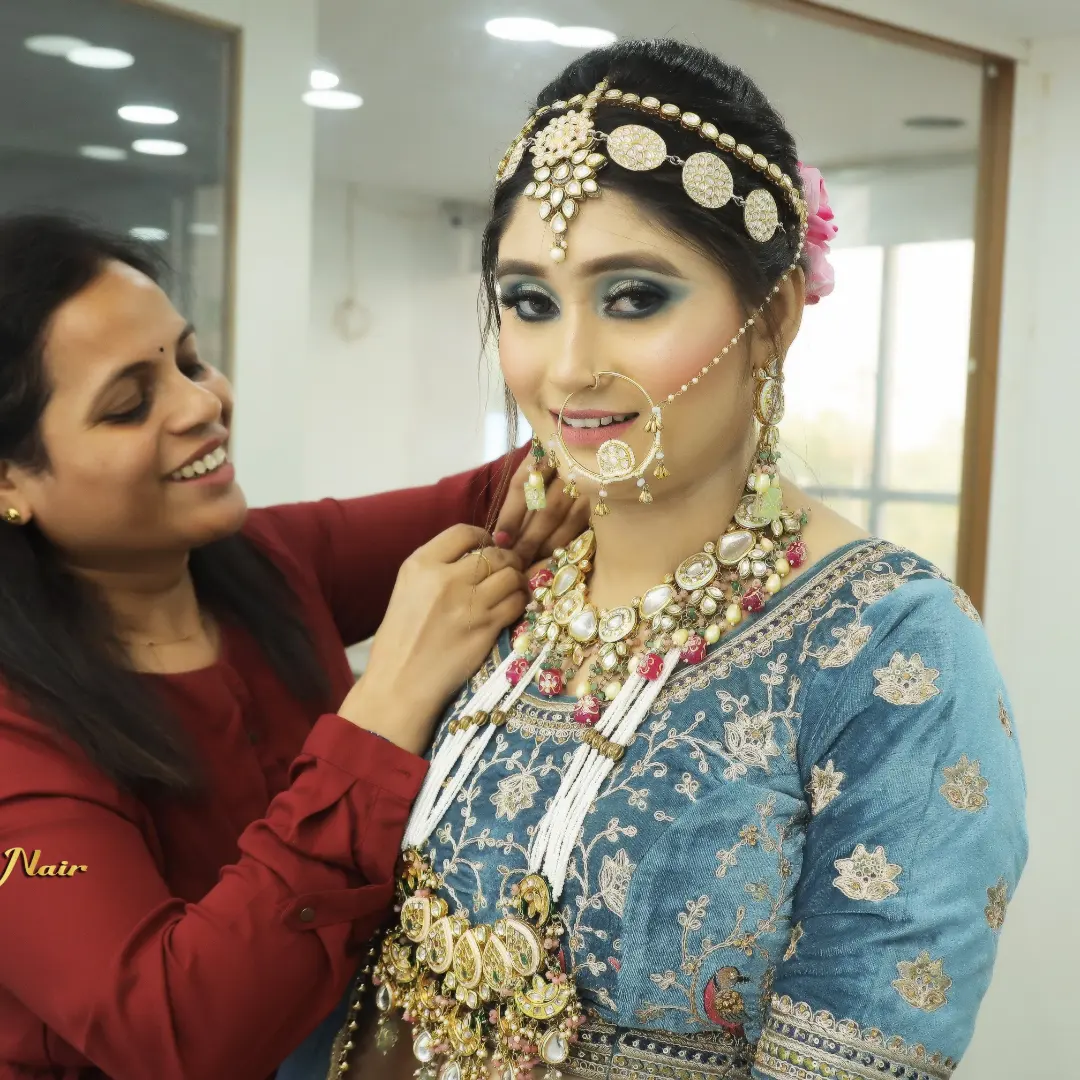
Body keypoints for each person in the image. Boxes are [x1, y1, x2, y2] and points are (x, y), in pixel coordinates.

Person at [283, 38, 1028, 1080]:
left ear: (771, 318)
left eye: (633, 297)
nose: (570, 366)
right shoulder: (492, 598)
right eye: (529, 302)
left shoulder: (886, 645)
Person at [0, 213, 587, 1079]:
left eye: (190, 362)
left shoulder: (264, 562)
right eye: (129, 405)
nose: (203, 405)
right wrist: (385, 708)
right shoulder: (16, 731)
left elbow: (505, 497)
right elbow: (175, 1032)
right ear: (10, 479)